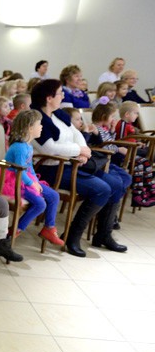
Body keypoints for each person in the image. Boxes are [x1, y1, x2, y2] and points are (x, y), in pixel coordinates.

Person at [32, 79, 131, 257]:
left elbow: (76, 133)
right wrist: (78, 150)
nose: (63, 96)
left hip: (73, 162)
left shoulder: (59, 114)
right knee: (102, 189)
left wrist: (83, 151)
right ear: (48, 98)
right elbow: (48, 148)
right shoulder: (37, 118)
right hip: (52, 168)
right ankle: (72, 236)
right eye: (60, 93)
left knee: (115, 184)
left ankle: (103, 235)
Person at [0, 110, 64, 245]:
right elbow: (18, 171)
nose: (42, 127)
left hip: (25, 178)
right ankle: (15, 229)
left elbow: (29, 167)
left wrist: (36, 182)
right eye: (39, 124)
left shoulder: (28, 145)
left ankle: (49, 228)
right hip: (14, 181)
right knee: (40, 204)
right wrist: (32, 184)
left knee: (54, 196)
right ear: (29, 127)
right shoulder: (20, 147)